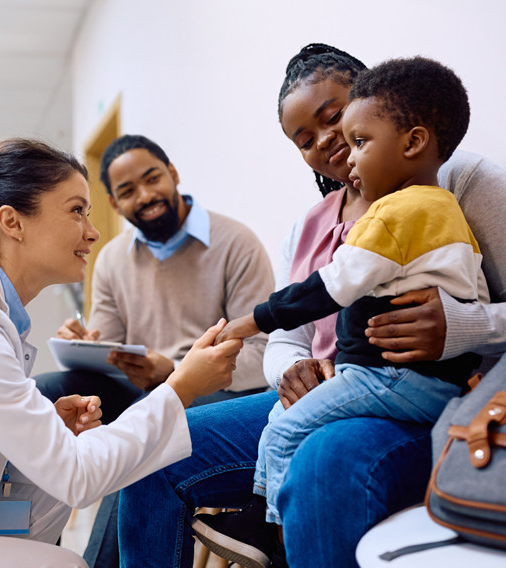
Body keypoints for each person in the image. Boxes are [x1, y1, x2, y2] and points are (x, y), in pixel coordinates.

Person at [117, 44, 506, 568]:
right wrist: (291, 369)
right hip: (328, 392)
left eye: (337, 118)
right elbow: (285, 338)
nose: (327, 141)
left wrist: (458, 327)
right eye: (305, 140)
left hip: (429, 395)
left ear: (375, 100)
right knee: (152, 448)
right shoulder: (308, 228)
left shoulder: (458, 181)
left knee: (323, 461)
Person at [0, 138, 242, 568]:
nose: (93, 230)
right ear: (12, 222)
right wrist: (180, 387)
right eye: (76, 210)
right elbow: (77, 478)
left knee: (47, 531)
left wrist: (45, 441)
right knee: (66, 564)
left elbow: (32, 505)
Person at [34, 134, 273, 567]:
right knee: (45, 391)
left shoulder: (236, 242)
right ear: (114, 201)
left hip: (212, 390)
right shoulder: (110, 260)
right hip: (138, 387)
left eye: (152, 179)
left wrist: (175, 371)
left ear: (173, 175)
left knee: (145, 431)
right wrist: (88, 344)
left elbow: (259, 356)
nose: (145, 196)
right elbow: (112, 346)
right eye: (127, 192)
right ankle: (30, 546)